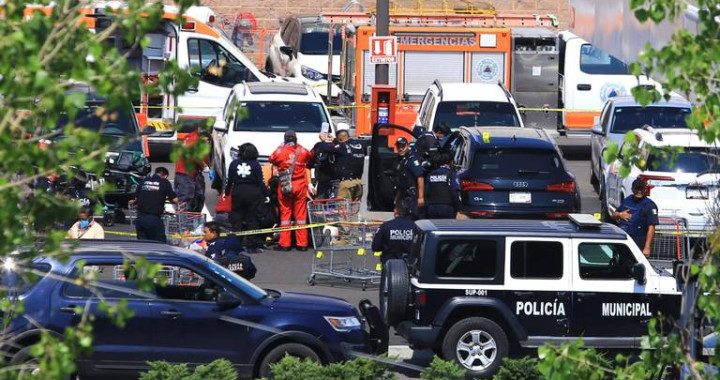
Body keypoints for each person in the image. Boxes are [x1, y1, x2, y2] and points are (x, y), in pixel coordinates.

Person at [269, 130, 314, 251]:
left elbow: (271, 159)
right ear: (296, 139)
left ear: (285, 140)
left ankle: (285, 244)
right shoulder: (303, 151)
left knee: (285, 214)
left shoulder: (280, 151)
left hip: (285, 185)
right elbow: (310, 157)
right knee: (301, 216)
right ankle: (302, 244)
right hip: (300, 185)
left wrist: (281, 147)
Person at [225, 142, 268, 253]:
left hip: (238, 192)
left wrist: (227, 192)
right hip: (253, 193)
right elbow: (260, 181)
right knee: (253, 219)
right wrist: (266, 194)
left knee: (237, 219)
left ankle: (236, 243)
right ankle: (251, 245)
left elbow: (229, 180)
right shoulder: (255, 165)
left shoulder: (234, 164)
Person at [612, 178, 659, 257]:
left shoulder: (649, 205)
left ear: (645, 190)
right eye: (637, 189)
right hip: (623, 240)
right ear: (632, 189)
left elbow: (651, 227)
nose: (639, 191)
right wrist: (620, 215)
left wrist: (647, 247)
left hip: (638, 242)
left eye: (641, 189)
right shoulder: (627, 200)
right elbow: (613, 215)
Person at [133, 167, 178, 243]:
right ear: (165, 176)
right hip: (154, 219)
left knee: (142, 244)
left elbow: (136, 199)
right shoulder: (164, 182)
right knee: (160, 244)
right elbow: (174, 200)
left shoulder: (144, 181)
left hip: (140, 219)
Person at [326, 129, 366, 201]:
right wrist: (335, 140)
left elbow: (327, 149)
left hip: (346, 183)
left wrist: (323, 141)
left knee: (343, 209)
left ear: (340, 139)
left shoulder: (342, 146)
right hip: (358, 182)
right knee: (353, 209)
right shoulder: (359, 145)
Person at [174, 128, 208, 212]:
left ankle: (193, 217)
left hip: (192, 173)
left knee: (198, 195)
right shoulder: (193, 140)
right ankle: (184, 221)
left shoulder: (191, 138)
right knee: (186, 197)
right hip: (185, 174)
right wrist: (204, 165)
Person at [394, 137, 425, 218]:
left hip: (412, 196)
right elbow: (400, 182)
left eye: (403, 146)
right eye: (398, 146)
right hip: (403, 195)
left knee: (412, 218)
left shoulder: (411, 159)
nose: (400, 148)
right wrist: (397, 201)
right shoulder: (400, 160)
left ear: (407, 146)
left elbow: (420, 177)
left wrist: (421, 197)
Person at [424, 153, 460, 219]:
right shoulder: (451, 174)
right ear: (450, 162)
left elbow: (426, 192)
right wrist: (458, 209)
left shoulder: (431, 174)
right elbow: (454, 193)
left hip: (432, 208)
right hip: (447, 208)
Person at [310, 132, 336, 199]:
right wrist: (310, 183)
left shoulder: (336, 145)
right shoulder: (318, 146)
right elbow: (309, 163)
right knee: (320, 202)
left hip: (335, 181)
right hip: (322, 180)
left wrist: (327, 141)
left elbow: (332, 150)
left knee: (335, 203)